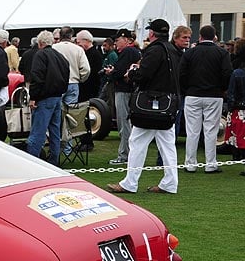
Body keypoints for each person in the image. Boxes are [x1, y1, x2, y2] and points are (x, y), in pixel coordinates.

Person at [106, 19, 180, 194]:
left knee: (137, 142)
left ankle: (130, 183)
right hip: (168, 103)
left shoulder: (154, 50)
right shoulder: (173, 50)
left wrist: (132, 72)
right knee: (167, 145)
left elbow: (143, 75)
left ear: (152, 33)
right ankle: (170, 183)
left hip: (149, 104)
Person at [180, 24, 233, 174]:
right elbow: (227, 73)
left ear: (200, 36)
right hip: (214, 95)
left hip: (193, 95)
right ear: (215, 37)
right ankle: (210, 164)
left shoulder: (190, 53)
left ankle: (190, 163)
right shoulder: (222, 53)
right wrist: (221, 89)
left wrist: (187, 90)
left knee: (192, 131)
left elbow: (182, 74)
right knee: (211, 131)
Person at [26, 30, 69, 165]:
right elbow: (66, 74)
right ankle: (53, 162)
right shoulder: (60, 56)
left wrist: (33, 97)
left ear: (40, 43)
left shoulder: (40, 55)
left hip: (45, 98)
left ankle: (32, 163)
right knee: (55, 133)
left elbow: (37, 77)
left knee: (37, 132)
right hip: (57, 97)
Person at [104, 29, 141, 165]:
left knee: (123, 123)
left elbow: (118, 72)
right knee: (129, 124)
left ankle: (124, 155)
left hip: (124, 90)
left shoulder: (127, 51)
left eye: (118, 40)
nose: (116, 43)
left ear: (126, 40)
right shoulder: (136, 51)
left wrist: (111, 72)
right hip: (132, 90)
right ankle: (129, 154)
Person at [52, 26, 90, 106]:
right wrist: (80, 79)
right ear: (71, 36)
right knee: (71, 113)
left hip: (57, 83)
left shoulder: (53, 48)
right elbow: (86, 69)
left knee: (57, 111)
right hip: (73, 83)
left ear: (60, 35)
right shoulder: (78, 49)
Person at [225, 39, 245, 175]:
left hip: (240, 109)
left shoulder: (237, 72)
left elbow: (231, 93)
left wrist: (230, 107)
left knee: (242, 139)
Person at [76, 30, 102, 103]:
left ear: (86, 41)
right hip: (87, 89)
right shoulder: (90, 53)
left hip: (90, 90)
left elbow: (92, 73)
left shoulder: (94, 55)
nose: (77, 45)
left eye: (79, 42)